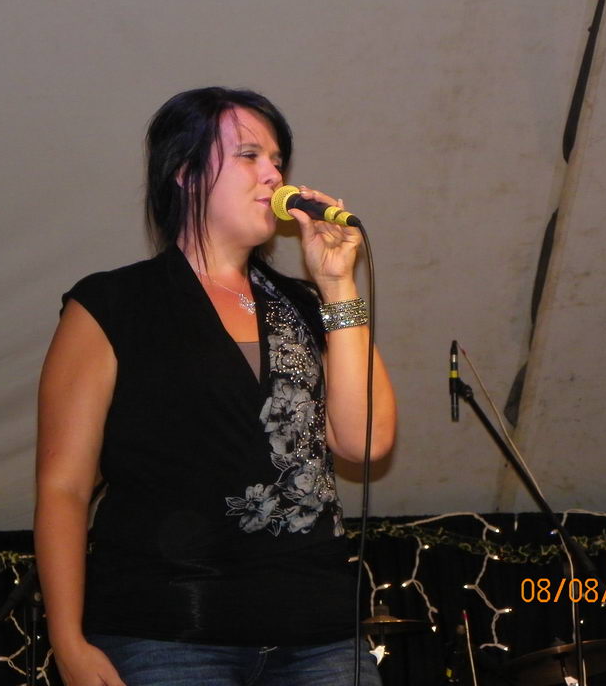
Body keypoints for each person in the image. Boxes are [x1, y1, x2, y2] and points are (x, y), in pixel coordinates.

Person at [34, 87, 397, 686]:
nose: (273, 174)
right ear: (185, 172)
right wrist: (68, 641)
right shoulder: (113, 303)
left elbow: (365, 442)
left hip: (320, 634)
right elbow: (64, 486)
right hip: (168, 631)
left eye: (277, 160)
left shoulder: (305, 304)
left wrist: (338, 287)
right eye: (249, 156)